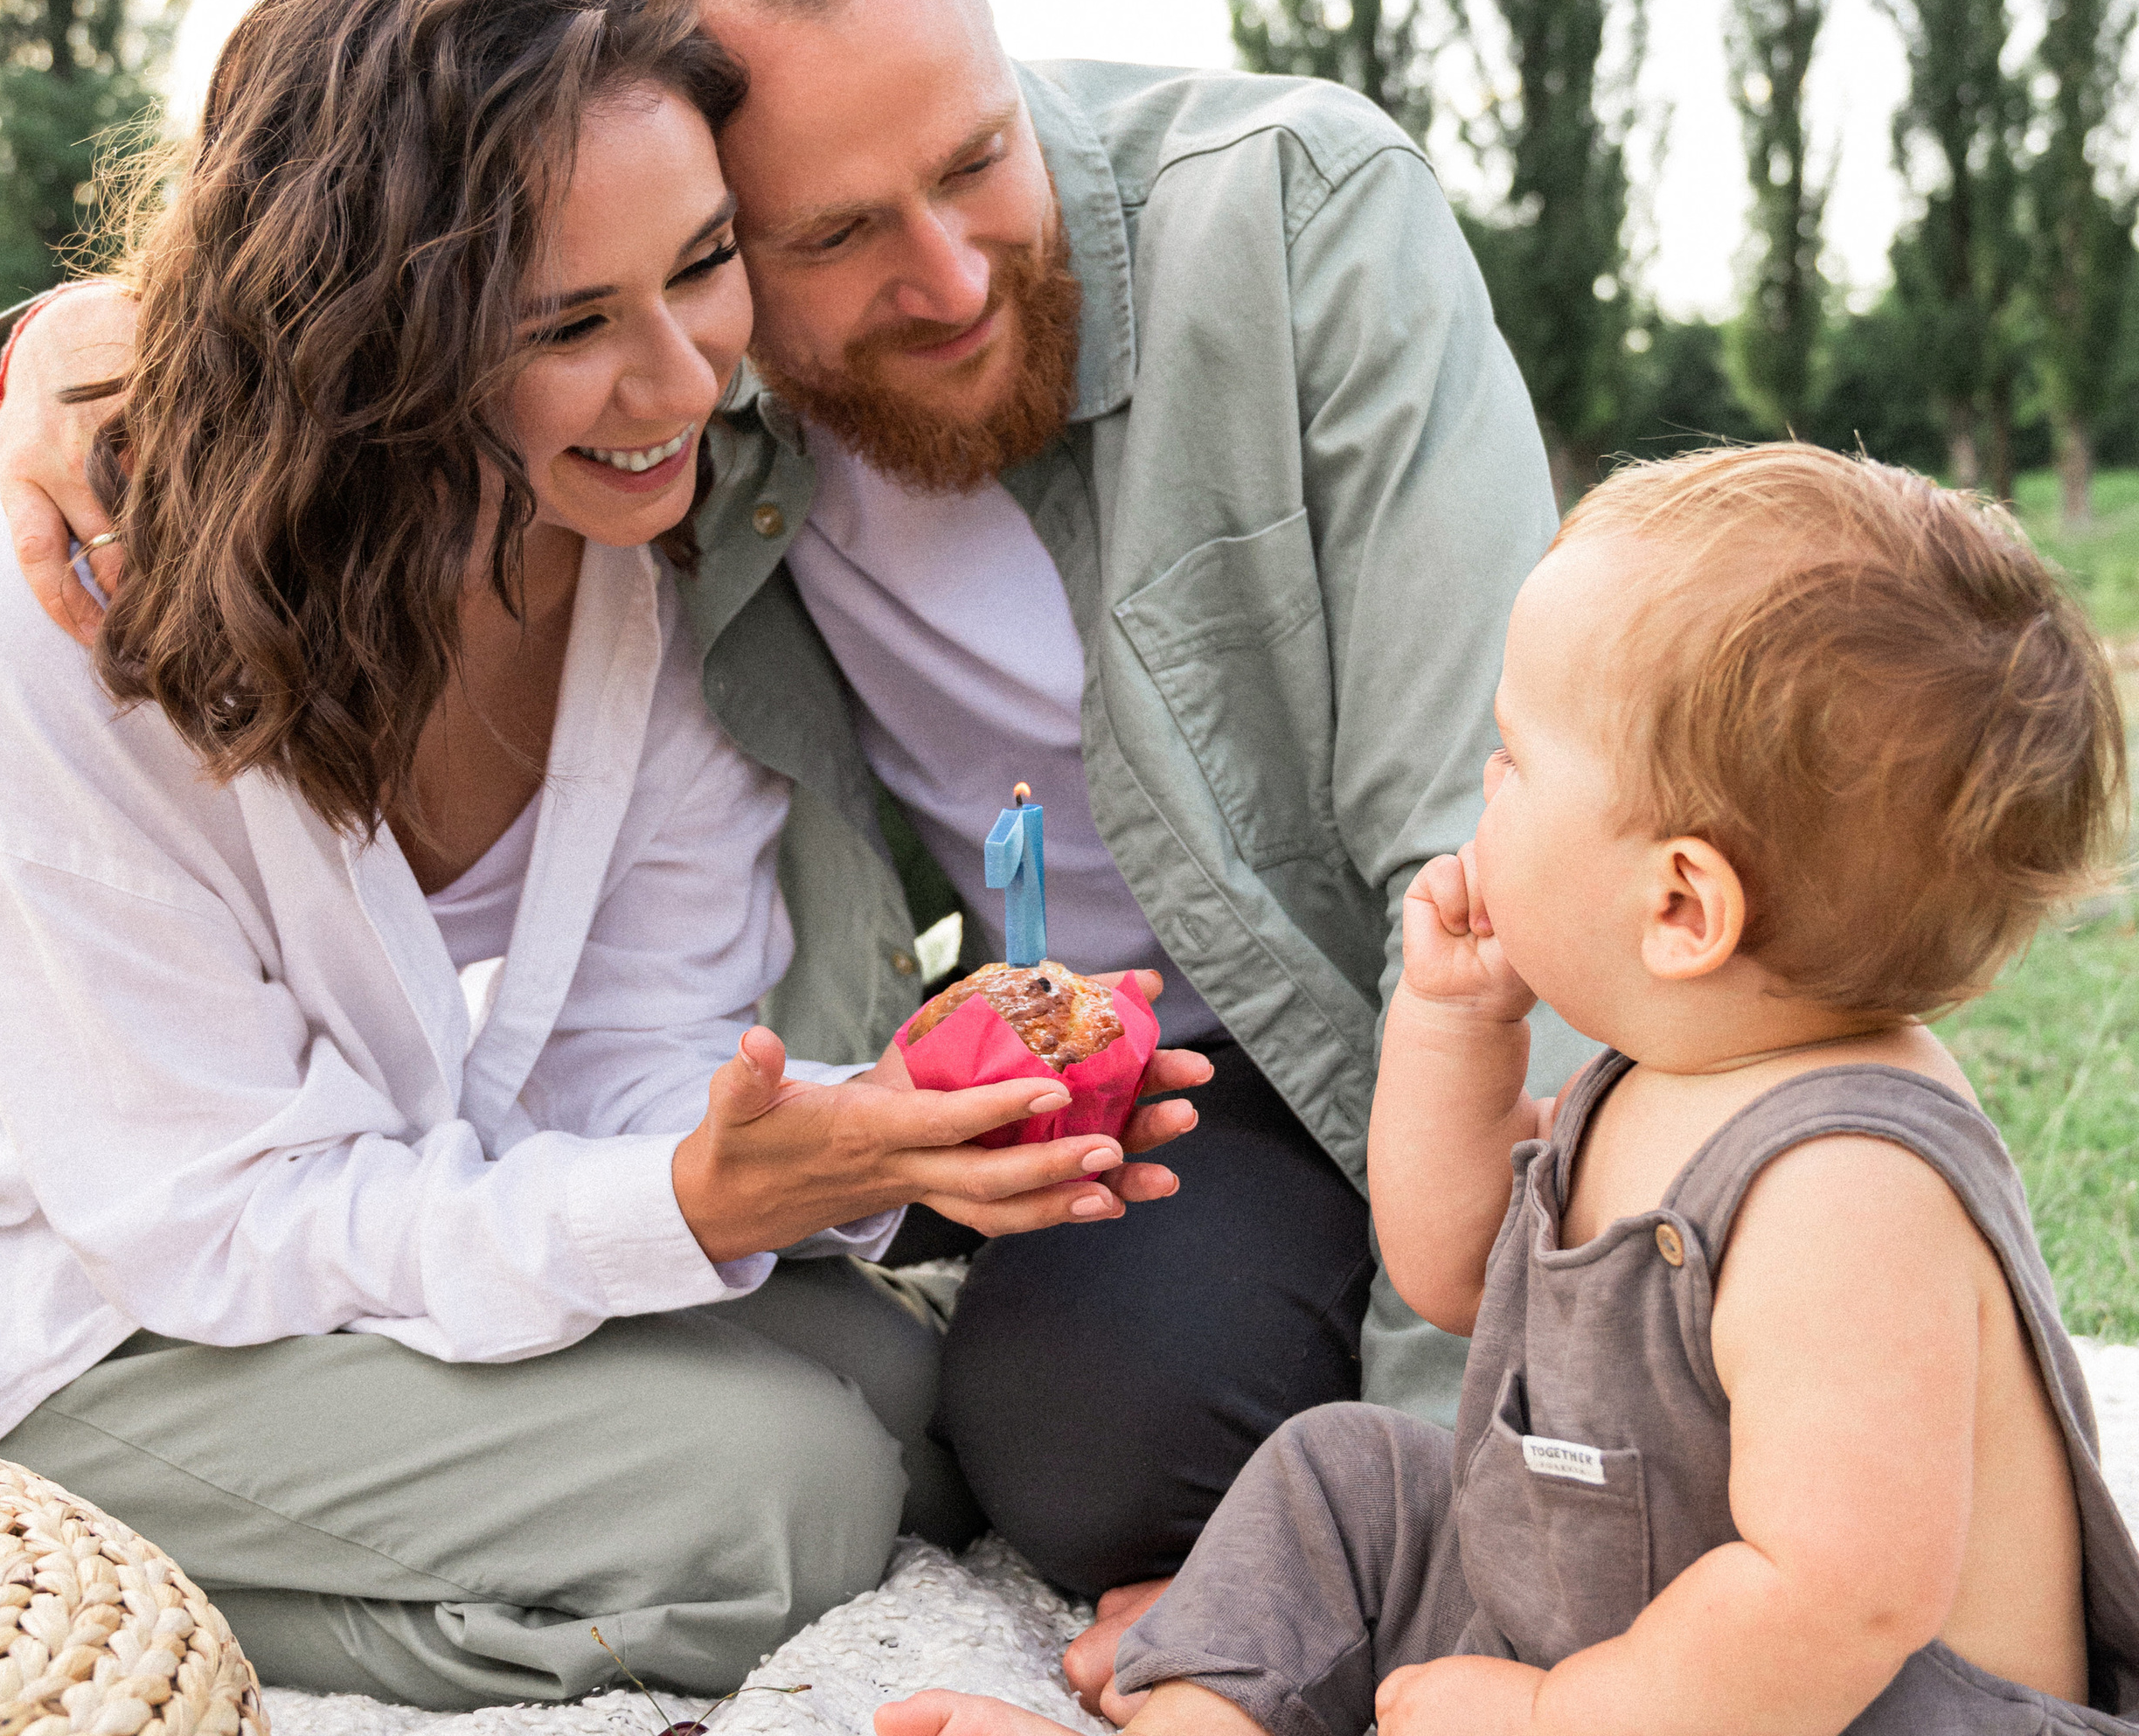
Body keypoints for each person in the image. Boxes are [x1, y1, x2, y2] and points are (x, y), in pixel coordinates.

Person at [0, 0, 1590, 1645]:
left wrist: (1468, 1505)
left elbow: (1484, 872)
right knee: (931, 1474)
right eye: (823, 234)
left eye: (977, 159)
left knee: (923, 1422)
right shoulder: (655, 453)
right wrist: (71, 346)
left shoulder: (1275, 224)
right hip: (93, 1275)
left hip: (1379, 1052)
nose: (952, 277)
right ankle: (61, 1582)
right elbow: (371, 256)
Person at [0, 0, 1206, 1711]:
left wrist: (854, 1130)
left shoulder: (630, 563)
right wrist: (671, 1200)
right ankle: (130, 1585)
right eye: (570, 321)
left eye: (698, 265)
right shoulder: (67, 614)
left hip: (332, 1208)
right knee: (781, 1495)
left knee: (901, 1392)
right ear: (381, 332)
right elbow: (211, 1215)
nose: (682, 380)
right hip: (77, 1296)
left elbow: (618, 1057)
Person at [879, 443, 2139, 1736]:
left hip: (1861, 1707)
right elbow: (1453, 1269)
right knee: (1343, 1475)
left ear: (1680, 904)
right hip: (1636, 1626)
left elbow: (1839, 1603)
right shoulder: (1660, 1073)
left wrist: (1559, 1715)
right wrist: (1455, 1025)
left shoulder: (1851, 1191)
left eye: (1517, 757)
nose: (1482, 787)